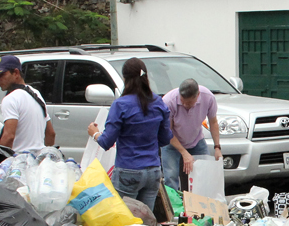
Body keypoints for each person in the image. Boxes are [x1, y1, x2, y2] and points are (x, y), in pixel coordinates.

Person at [87, 58, 172, 209]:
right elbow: (165, 139)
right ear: (146, 77)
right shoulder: (158, 102)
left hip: (128, 170)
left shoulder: (121, 105)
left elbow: (106, 142)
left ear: (125, 79)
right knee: (146, 222)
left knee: (123, 221)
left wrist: (95, 134)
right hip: (153, 170)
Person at [161, 78, 222, 191]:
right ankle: (174, 207)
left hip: (196, 141)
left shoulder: (208, 97)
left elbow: (213, 122)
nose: (184, 105)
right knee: (171, 177)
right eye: (182, 101)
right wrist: (184, 153)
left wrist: (217, 147)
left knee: (203, 175)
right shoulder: (168, 102)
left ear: (197, 95)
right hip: (171, 143)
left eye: (188, 103)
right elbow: (167, 132)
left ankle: (199, 205)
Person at [0, 55, 55, 151]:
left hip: (19, 159)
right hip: (38, 160)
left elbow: (9, 136)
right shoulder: (36, 93)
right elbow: (51, 133)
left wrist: (0, 160)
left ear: (16, 73)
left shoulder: (11, 98)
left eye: (1, 74)